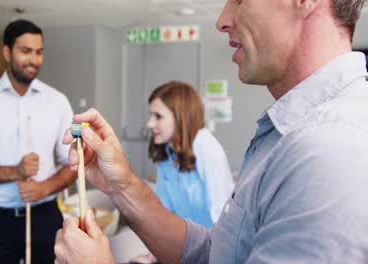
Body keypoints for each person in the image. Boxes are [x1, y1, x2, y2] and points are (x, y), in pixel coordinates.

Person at [55, 0, 368, 263]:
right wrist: (120, 185)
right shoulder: (286, 133)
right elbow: (215, 253)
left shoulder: (329, 148)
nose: (222, 20)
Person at [0, 19, 77, 264]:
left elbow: (72, 164)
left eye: (39, 52)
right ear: (7, 52)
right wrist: (15, 171)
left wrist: (44, 188)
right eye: (26, 51)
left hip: (45, 217)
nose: (34, 59)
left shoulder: (57, 101)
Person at [132, 81, 234, 263]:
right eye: (150, 115)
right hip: (186, 252)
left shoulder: (205, 146)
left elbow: (222, 216)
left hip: (216, 253)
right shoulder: (166, 155)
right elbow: (165, 214)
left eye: (158, 116)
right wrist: (154, 256)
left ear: (180, 117)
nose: (149, 123)